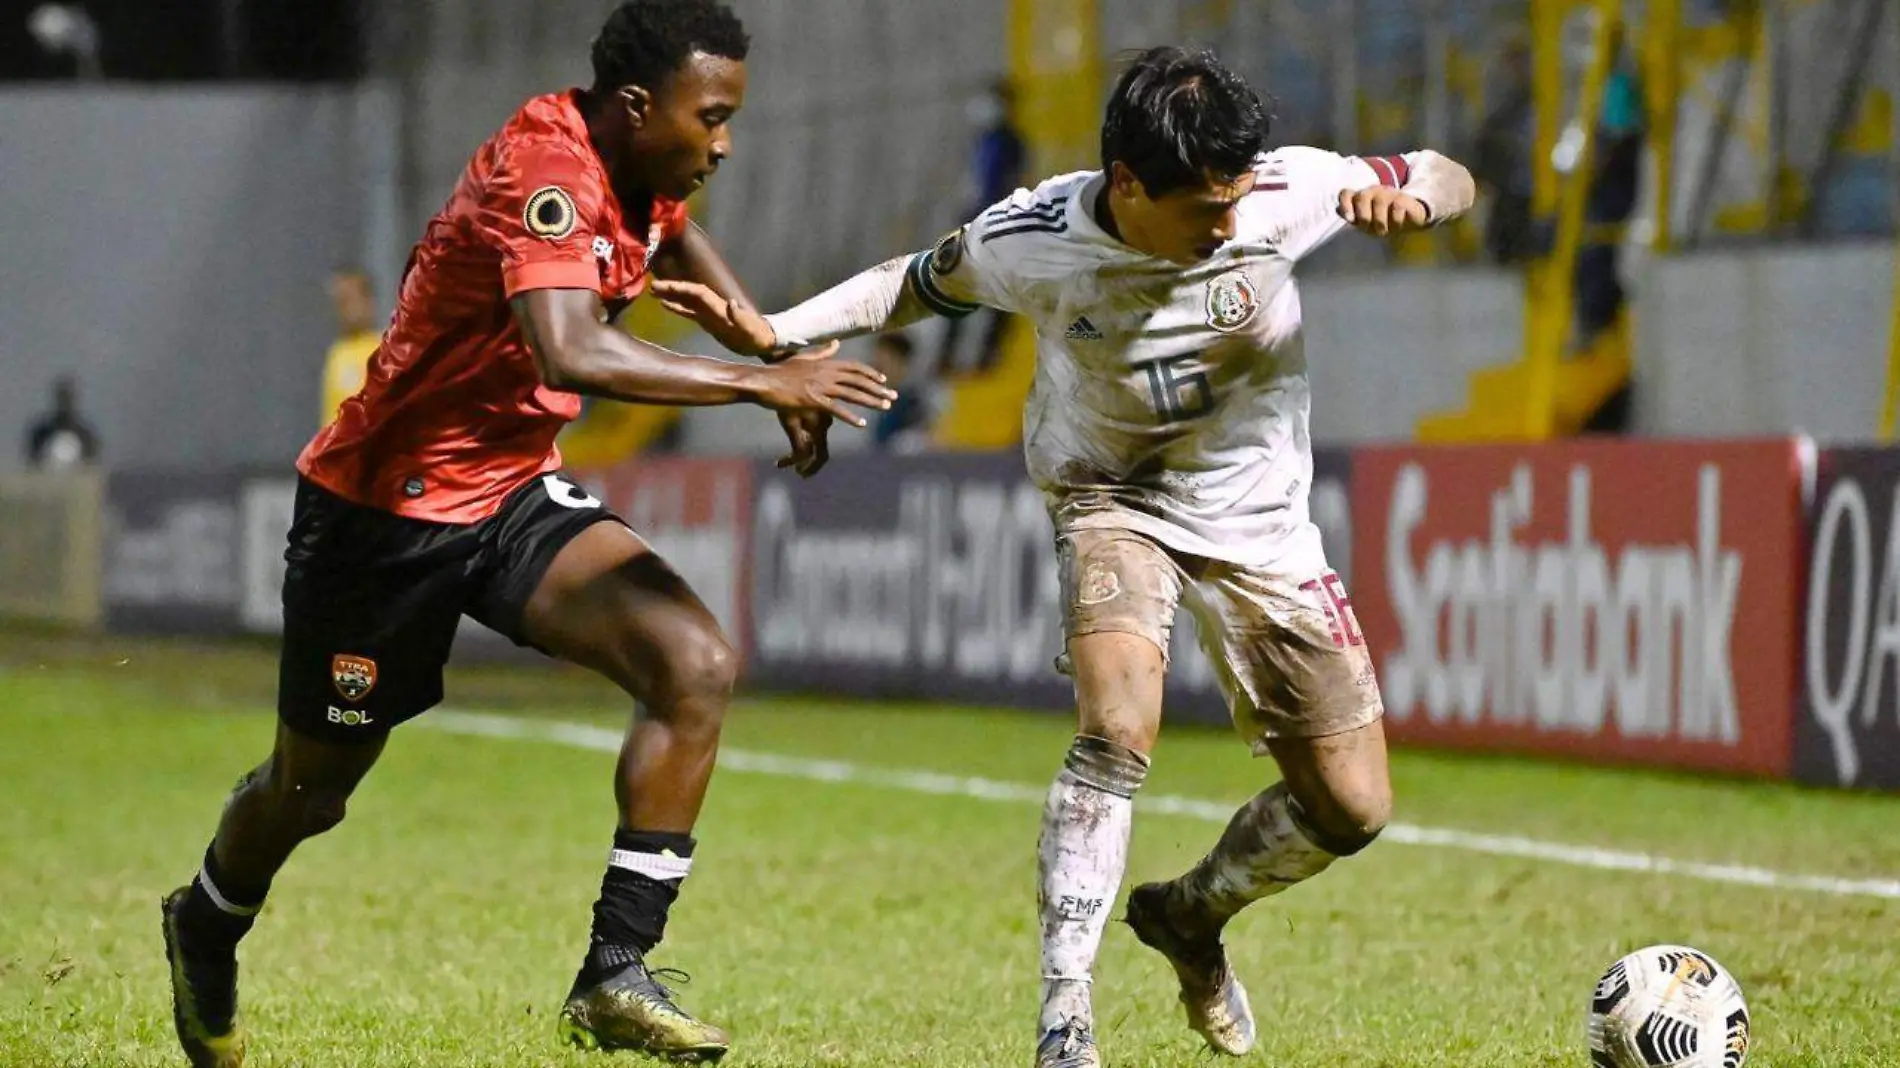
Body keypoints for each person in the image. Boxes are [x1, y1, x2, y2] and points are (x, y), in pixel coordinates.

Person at [663, 45, 1474, 1068]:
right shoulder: (1035, 236)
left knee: (1352, 809)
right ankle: (1064, 1025)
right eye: (1201, 212)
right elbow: (906, 285)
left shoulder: (1287, 189)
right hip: (1112, 495)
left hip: (1265, 524)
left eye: (1232, 203)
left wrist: (1423, 205)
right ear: (1127, 184)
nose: (1225, 226)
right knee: (1117, 725)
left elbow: (1445, 171)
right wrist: (777, 333)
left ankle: (1189, 914)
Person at [158, 3, 893, 1066]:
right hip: (382, 520)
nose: (723, 144)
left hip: (508, 493)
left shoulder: (641, 158)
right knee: (310, 794)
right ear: (638, 107)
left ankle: (614, 975)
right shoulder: (541, 172)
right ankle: (204, 922)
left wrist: (766, 331)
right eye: (713, 118)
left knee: (693, 665)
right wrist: (760, 377)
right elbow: (568, 351)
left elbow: (670, 218)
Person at [320, 268, 380, 427]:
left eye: (350, 300)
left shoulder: (385, 349)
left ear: (368, 301)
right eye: (341, 302)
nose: (345, 310)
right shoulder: (336, 354)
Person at [869, 332, 934, 451]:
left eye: (884, 363)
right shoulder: (876, 400)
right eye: (877, 364)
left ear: (901, 362)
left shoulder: (914, 402)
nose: (878, 369)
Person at [25, 376, 100, 470]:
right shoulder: (41, 434)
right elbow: (33, 463)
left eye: (68, 398)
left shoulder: (86, 436)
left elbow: (91, 464)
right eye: (63, 398)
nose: (66, 403)